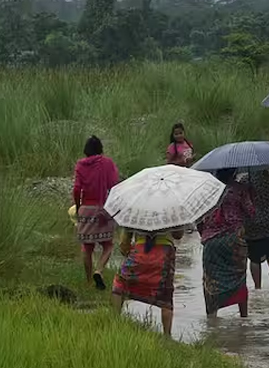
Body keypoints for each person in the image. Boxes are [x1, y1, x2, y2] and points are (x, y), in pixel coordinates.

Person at [199, 169, 254, 317]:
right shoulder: (240, 190)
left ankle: (212, 318)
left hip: (211, 242)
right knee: (239, 278)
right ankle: (244, 317)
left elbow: (197, 217)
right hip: (234, 240)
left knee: (211, 280)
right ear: (234, 172)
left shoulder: (206, 191)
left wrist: (204, 235)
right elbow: (251, 213)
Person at [112, 228, 185, 338]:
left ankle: (114, 321)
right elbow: (178, 235)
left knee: (120, 283)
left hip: (140, 251)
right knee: (165, 292)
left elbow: (124, 244)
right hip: (164, 254)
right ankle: (167, 335)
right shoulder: (172, 213)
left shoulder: (135, 213)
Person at [72, 135, 119, 290]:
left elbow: (77, 189)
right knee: (108, 245)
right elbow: (114, 185)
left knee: (87, 248)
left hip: (86, 208)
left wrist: (79, 207)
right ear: (100, 149)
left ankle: (88, 281)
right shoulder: (107, 163)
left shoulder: (80, 165)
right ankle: (99, 270)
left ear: (86, 150)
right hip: (102, 208)